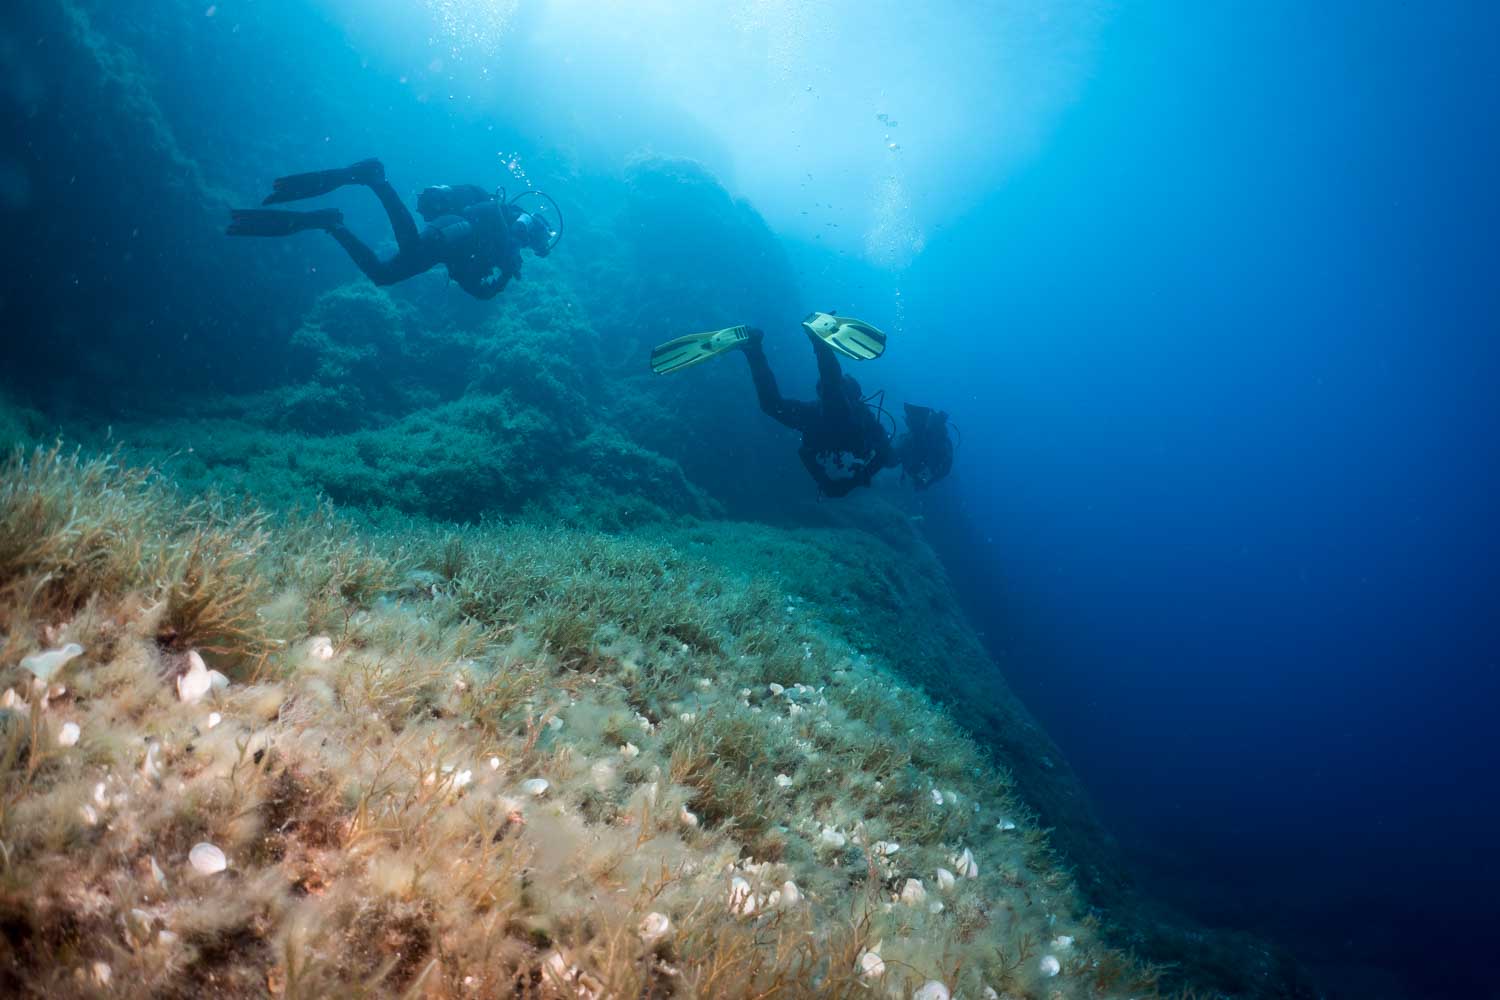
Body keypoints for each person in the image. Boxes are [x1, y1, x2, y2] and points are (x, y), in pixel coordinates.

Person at [225, 159, 554, 299]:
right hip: (454, 230)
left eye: (530, 241)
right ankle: (376, 179)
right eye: (530, 235)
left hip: (447, 249)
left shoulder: (507, 256)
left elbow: (475, 288)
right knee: (409, 246)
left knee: (382, 276)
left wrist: (504, 275)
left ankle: (331, 223)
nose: (526, 241)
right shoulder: (502, 214)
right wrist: (507, 248)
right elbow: (482, 211)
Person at [650, 313, 895, 498]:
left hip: (818, 419)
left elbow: (806, 453)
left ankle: (753, 348)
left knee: (771, 404)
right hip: (832, 419)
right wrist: (853, 480)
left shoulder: (851, 418)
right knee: (832, 397)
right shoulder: (864, 419)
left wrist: (828, 482)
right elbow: (885, 454)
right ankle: (819, 343)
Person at [895, 402, 954, 490]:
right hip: (919, 465)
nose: (906, 420)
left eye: (909, 418)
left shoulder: (932, 438)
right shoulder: (918, 433)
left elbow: (945, 469)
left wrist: (927, 482)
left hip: (922, 465)